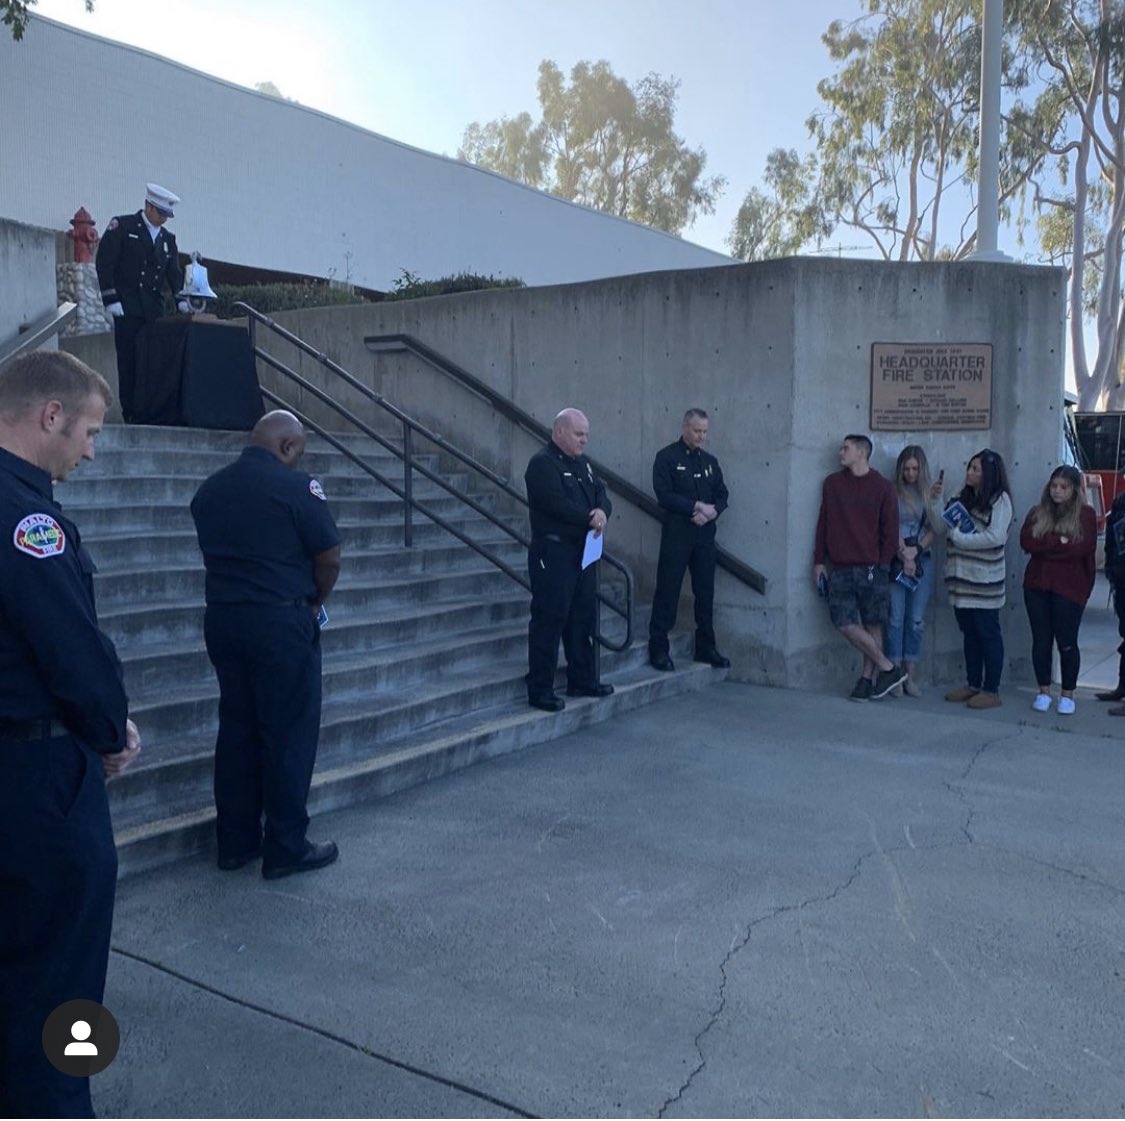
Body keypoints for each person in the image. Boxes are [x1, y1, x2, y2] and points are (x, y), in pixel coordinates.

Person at [0, 350, 142, 1118]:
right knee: (65, 978)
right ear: (50, 415)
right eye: (89, 429)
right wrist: (109, 728)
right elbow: (71, 646)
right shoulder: (29, 518)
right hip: (41, 777)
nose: (92, 448)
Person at [190, 410, 342, 879]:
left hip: (224, 619)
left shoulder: (209, 490)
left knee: (237, 729)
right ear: (288, 447)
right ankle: (286, 846)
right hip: (280, 621)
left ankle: (235, 841)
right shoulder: (296, 488)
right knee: (289, 735)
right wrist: (317, 599)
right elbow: (330, 555)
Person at [524, 408, 613, 712]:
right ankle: (540, 689)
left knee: (582, 618)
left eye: (586, 434)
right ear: (559, 432)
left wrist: (602, 511)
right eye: (578, 434)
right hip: (553, 553)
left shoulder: (584, 465)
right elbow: (555, 504)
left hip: (581, 552)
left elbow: (602, 494)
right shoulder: (542, 465)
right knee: (550, 619)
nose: (584, 440)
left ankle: (581, 678)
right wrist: (590, 517)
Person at [813, 434, 908, 701]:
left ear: (862, 453)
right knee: (844, 622)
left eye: (846, 448)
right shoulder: (832, 484)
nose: (840, 452)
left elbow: (890, 532)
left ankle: (867, 680)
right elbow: (824, 523)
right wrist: (818, 561)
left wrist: (882, 565)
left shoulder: (882, 487)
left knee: (873, 624)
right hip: (840, 567)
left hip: (872, 568)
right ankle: (889, 667)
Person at [95, 182, 187, 424]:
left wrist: (181, 300)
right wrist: (111, 298)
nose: (163, 219)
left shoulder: (168, 239)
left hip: (153, 311)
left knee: (152, 363)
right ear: (148, 206)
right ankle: (131, 414)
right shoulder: (123, 227)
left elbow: (174, 274)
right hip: (127, 307)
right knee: (129, 362)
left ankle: (150, 412)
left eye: (166, 215)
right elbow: (105, 263)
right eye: (159, 213)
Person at [648, 408, 731, 672]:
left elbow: (722, 493)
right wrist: (695, 506)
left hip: (704, 535)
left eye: (705, 431)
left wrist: (712, 512)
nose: (701, 436)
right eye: (697, 431)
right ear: (685, 427)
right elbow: (664, 495)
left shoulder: (709, 461)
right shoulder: (667, 458)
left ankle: (706, 647)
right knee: (668, 590)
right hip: (677, 534)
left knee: (705, 593)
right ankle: (659, 648)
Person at [1020, 465, 1096, 715]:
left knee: (1066, 642)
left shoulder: (1085, 515)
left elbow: (1081, 548)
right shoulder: (1037, 512)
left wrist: (1046, 545)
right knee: (1041, 641)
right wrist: (1057, 540)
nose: (1057, 491)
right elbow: (1027, 541)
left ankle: (1068, 694)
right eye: (1054, 486)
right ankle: (1043, 692)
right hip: (1037, 586)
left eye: (1063, 487)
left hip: (1069, 589)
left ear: (1074, 490)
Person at [942, 448, 1014, 709]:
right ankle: (972, 683)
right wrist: (936, 501)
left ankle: (991, 689)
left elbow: (995, 537)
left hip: (984, 583)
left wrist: (960, 539)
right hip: (962, 580)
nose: (970, 473)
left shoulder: (1000, 500)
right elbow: (945, 524)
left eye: (976, 469)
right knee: (969, 634)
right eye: (969, 467)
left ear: (989, 474)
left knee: (988, 633)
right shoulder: (962, 496)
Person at [886, 446, 942, 696]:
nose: (910, 473)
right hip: (898, 560)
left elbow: (936, 528)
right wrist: (903, 552)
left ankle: (911, 674)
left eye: (915, 468)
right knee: (895, 618)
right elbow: (887, 524)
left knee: (916, 620)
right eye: (906, 468)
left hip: (922, 560)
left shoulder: (929, 493)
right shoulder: (892, 492)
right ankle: (895, 674)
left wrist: (916, 551)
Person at [1099, 490, 1125, 709]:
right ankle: (1122, 686)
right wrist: (1110, 568)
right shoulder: (1120, 503)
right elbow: (1112, 541)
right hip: (1121, 578)